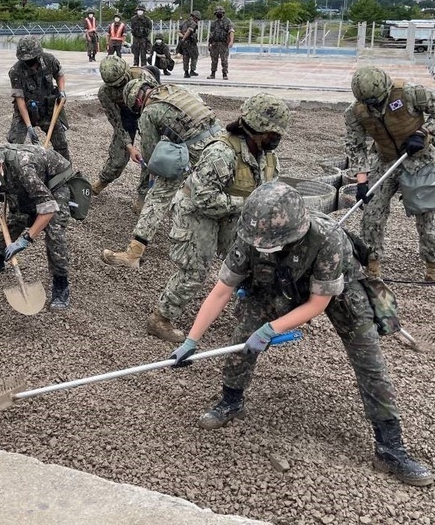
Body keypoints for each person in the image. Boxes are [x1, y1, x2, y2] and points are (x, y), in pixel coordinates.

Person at [169, 182, 434, 487]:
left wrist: (271, 330)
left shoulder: (328, 239)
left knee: (369, 360)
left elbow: (318, 303)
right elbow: (221, 291)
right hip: (275, 284)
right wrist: (192, 340)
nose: (262, 247)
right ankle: (231, 400)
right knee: (242, 337)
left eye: (271, 243)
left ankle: (391, 446)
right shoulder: (250, 237)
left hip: (339, 292)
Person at [147, 94, 290, 343]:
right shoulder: (221, 153)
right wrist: (247, 204)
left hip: (231, 214)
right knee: (196, 270)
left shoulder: (267, 156)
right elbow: (204, 199)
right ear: (256, 129)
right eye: (273, 134)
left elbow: (268, 189)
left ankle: (253, 316)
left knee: (250, 263)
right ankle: (161, 318)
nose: (277, 139)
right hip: (197, 213)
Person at [344, 66, 435, 281]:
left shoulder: (410, 94)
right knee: (372, 214)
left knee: (427, 214)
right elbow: (355, 146)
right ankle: (372, 265)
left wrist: (424, 133)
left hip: (419, 161)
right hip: (384, 162)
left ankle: (433, 267)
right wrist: (362, 181)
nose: (373, 107)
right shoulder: (356, 112)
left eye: (376, 102)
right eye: (369, 104)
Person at [102, 80, 221, 268]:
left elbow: (151, 157)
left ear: (137, 102)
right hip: (220, 140)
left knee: (158, 195)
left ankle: (133, 254)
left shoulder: (149, 112)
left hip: (196, 149)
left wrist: (152, 172)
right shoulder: (175, 89)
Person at [0, 141, 74, 310]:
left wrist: (26, 240)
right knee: (16, 218)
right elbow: (8, 181)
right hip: (27, 179)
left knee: (53, 229)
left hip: (56, 183)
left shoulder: (23, 167)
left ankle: (61, 285)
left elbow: (48, 209)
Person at [91, 56, 160, 212]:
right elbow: (116, 121)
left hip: (146, 113)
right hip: (126, 117)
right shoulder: (105, 93)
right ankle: (103, 180)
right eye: (114, 86)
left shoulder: (144, 78)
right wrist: (129, 146)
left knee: (149, 155)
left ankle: (143, 195)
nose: (118, 89)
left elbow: (157, 107)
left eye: (121, 84)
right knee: (118, 157)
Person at [7, 36, 70, 161]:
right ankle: (11, 174)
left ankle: (66, 174)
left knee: (61, 143)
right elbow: (20, 101)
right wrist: (29, 127)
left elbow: (60, 75)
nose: (29, 62)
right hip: (27, 111)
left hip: (48, 110)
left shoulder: (49, 60)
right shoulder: (15, 71)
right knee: (13, 146)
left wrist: (62, 91)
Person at [207, 6, 234, 81]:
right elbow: (211, 34)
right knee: (214, 60)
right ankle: (213, 73)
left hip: (223, 44)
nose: (219, 14)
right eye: (217, 13)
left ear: (223, 13)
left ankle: (224, 74)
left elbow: (231, 31)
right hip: (214, 43)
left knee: (224, 59)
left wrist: (231, 41)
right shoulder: (213, 23)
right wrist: (209, 44)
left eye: (220, 13)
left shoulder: (227, 21)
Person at [176, 10, 201, 78]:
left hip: (183, 43)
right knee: (195, 56)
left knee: (185, 57)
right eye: (197, 19)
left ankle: (186, 72)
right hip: (190, 43)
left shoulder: (184, 22)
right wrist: (184, 38)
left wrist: (182, 37)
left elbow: (178, 31)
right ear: (195, 17)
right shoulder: (193, 23)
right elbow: (189, 31)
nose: (197, 20)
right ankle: (192, 71)